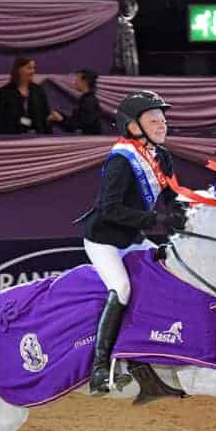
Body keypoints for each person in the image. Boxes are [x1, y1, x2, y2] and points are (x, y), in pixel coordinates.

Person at [75, 91, 187, 394]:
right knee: (122, 288)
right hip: (104, 240)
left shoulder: (161, 156)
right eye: (154, 121)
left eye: (163, 120)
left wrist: (188, 212)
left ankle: (150, 353)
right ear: (134, 126)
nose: (162, 125)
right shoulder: (121, 161)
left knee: (172, 277)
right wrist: (156, 221)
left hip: (133, 238)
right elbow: (109, 209)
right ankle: (99, 369)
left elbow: (172, 197)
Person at [0, 56, 53, 135]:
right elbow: (0, 121)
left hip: (37, 137)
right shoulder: (5, 92)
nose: (33, 71)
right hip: (13, 139)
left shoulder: (38, 90)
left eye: (34, 68)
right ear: (19, 70)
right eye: (29, 68)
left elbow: (45, 117)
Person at [50, 69, 102, 135]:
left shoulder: (89, 102)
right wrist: (60, 117)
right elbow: (76, 121)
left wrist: (61, 120)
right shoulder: (86, 99)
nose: (75, 82)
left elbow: (78, 126)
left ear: (85, 82)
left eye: (77, 79)